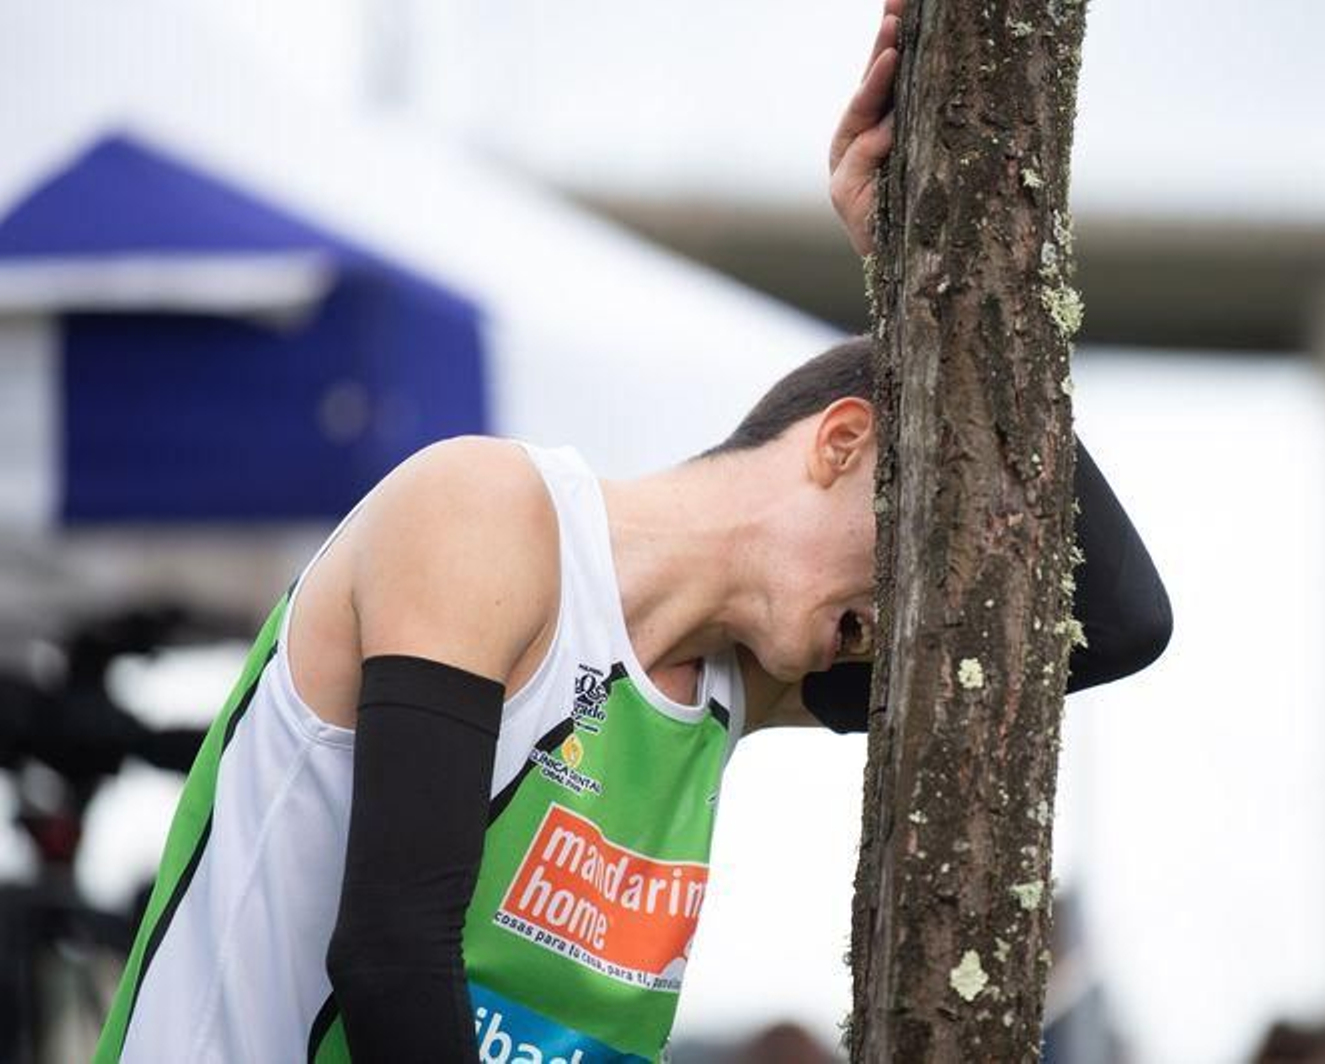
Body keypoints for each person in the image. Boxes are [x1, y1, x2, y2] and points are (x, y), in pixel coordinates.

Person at [94, 5, 1170, 1062]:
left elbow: (1121, 625)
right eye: (917, 548)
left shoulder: (740, 682)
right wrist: (919, 310)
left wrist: (919, 292)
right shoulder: (489, 516)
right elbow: (389, 959)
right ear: (843, 443)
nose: (908, 620)